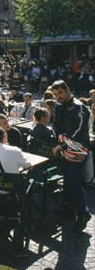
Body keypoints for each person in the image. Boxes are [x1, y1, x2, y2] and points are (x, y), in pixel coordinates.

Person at [51, 80, 91, 232]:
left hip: (78, 149)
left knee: (74, 182)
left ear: (67, 89)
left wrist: (61, 143)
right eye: (55, 94)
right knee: (68, 181)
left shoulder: (79, 107)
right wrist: (60, 138)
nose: (58, 96)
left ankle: (84, 213)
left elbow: (78, 131)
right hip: (65, 148)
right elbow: (55, 124)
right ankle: (69, 210)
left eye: (60, 93)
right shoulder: (59, 106)